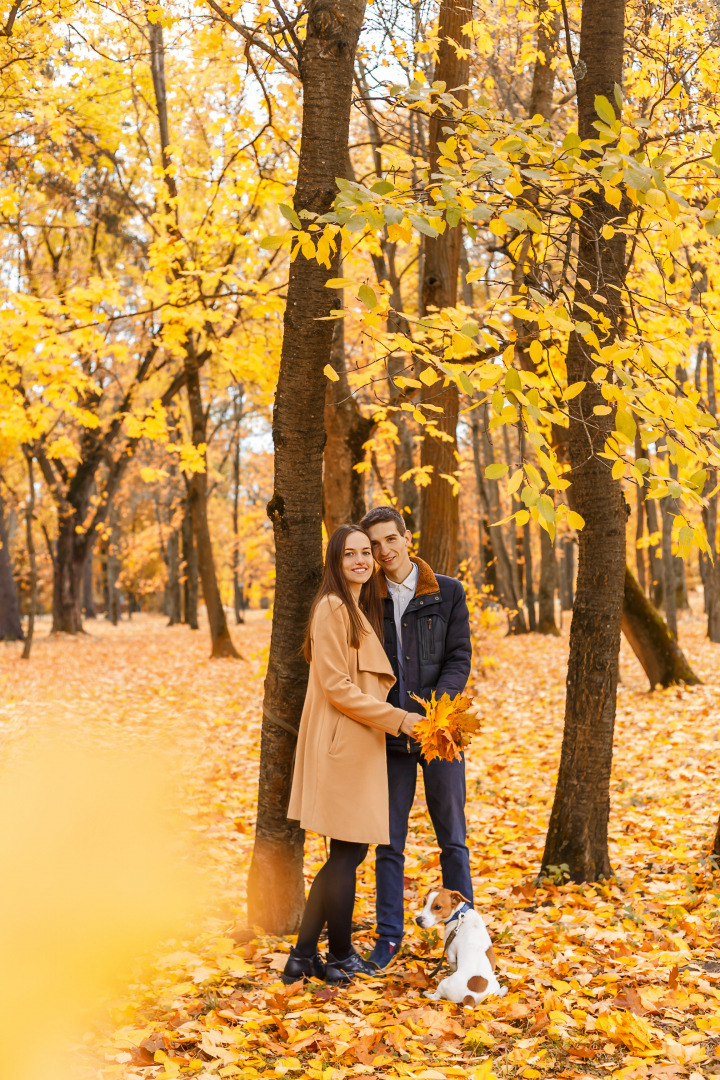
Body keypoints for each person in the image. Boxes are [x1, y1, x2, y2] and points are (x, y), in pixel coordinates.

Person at [283, 524, 417, 985]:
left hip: (359, 742)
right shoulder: (332, 607)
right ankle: (337, 955)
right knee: (347, 852)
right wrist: (399, 719)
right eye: (350, 555)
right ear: (335, 563)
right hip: (343, 743)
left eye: (367, 552)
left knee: (347, 852)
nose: (362, 560)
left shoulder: (355, 609)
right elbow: (336, 685)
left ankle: (303, 957)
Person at [359, 506, 473, 969]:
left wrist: (432, 714)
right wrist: (393, 718)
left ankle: (464, 937)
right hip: (388, 734)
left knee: (453, 836)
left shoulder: (447, 593)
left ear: (407, 537)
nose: (384, 551)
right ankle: (388, 939)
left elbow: (459, 657)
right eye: (375, 545)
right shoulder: (365, 599)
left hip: (440, 731)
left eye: (391, 540)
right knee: (388, 841)